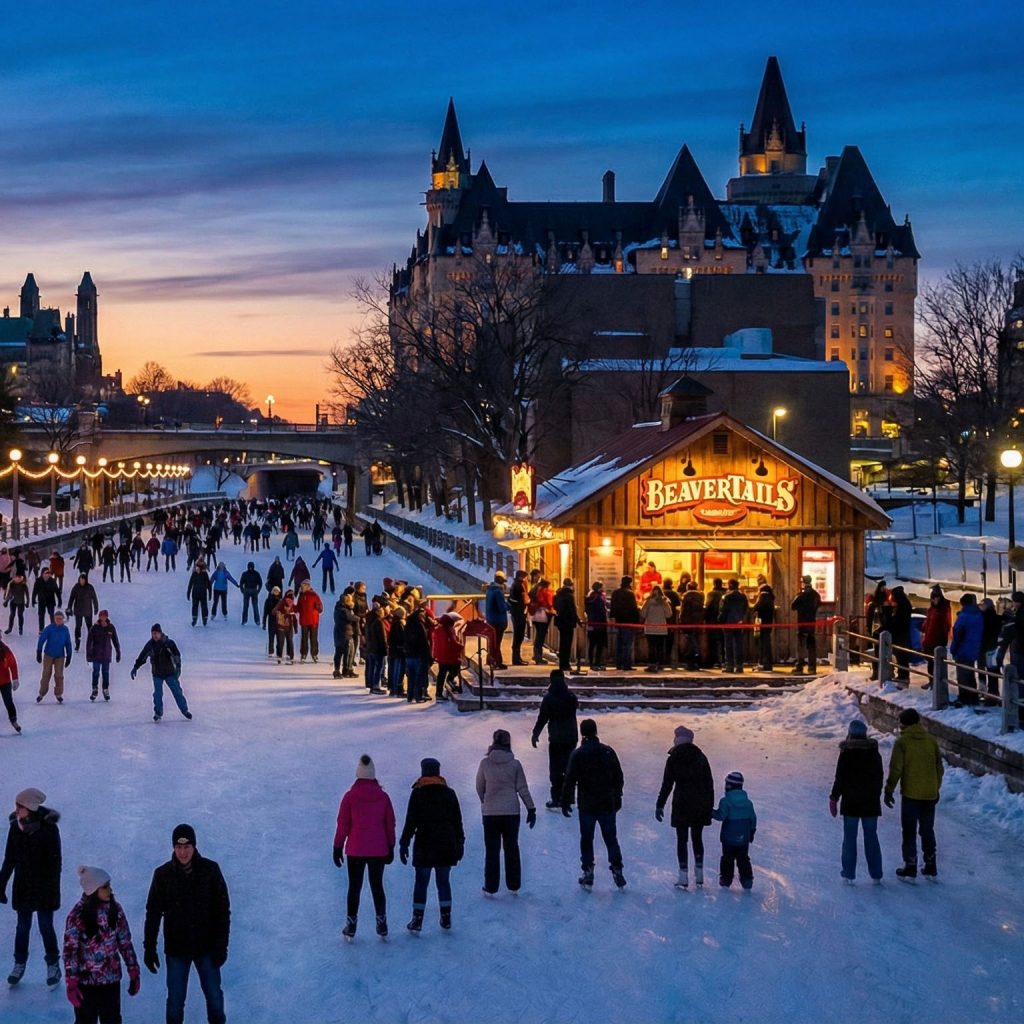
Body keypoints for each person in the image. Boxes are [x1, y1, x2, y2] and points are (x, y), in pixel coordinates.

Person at [143, 824, 230, 1024]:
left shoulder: (210, 870)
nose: (182, 852)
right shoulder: (163, 875)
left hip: (206, 948)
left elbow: (222, 912)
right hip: (177, 949)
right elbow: (153, 912)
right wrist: (149, 947)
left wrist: (221, 946)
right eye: (178, 847)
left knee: (215, 998)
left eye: (187, 846)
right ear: (173, 847)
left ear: (194, 846)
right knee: (175, 1002)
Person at [0, 787, 63, 987]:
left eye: (20, 806)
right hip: (23, 887)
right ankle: (19, 964)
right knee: (22, 927)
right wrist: (1, 884)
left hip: (44, 888)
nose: (16, 810)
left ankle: (53, 964)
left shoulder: (49, 829)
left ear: (30, 807)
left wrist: (52, 889)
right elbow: (9, 858)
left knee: (45, 926)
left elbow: (56, 863)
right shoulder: (14, 827)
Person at [62, 865, 140, 1021]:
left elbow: (125, 942)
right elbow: (70, 951)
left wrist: (133, 970)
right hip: (86, 984)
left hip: (110, 982)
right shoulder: (77, 915)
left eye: (109, 886)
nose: (109, 890)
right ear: (93, 890)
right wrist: (71, 982)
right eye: (105, 887)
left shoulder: (115, 910)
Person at [333, 755, 396, 940]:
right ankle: (382, 923)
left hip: (356, 849)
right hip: (378, 849)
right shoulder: (383, 797)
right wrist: (391, 846)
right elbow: (389, 824)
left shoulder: (350, 796)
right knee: (377, 886)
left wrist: (337, 846)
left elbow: (343, 824)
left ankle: (351, 926)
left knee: (354, 887)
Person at [399, 757, 464, 933]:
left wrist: (404, 843)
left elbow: (410, 822)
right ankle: (446, 917)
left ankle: (417, 919)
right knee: (443, 881)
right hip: (446, 844)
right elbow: (457, 821)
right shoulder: (449, 793)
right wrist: (460, 842)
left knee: (421, 882)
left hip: (424, 845)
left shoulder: (418, 793)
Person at [560, 719, 626, 889]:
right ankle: (617, 868)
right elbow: (619, 776)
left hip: (587, 804)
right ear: (596, 731)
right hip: (606, 803)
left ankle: (588, 870)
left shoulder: (578, 754)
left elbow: (570, 779)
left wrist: (566, 801)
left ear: (582, 733)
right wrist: (617, 796)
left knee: (587, 838)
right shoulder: (607, 752)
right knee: (611, 838)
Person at [884, 708, 943, 881]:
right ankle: (931, 864)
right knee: (927, 830)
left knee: (909, 831)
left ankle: (910, 866)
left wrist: (889, 790)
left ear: (902, 724)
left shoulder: (902, 743)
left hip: (911, 795)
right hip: (930, 795)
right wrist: (935, 787)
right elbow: (939, 768)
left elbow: (896, 769)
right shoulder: (931, 741)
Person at [475, 729, 536, 895]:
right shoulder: (515, 764)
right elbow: (522, 788)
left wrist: (486, 800)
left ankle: (491, 886)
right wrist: (531, 808)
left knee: (492, 850)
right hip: (511, 813)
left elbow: (479, 786)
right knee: (511, 848)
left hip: (490, 813)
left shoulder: (485, 763)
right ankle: (514, 884)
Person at [655, 725, 714, 889]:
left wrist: (660, 804)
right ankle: (700, 874)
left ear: (677, 740)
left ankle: (683, 876)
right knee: (697, 838)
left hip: (681, 803)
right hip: (699, 803)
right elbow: (709, 784)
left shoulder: (673, 758)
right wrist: (708, 806)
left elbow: (667, 784)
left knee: (682, 840)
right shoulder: (701, 757)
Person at [828, 718, 883, 884]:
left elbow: (840, 779)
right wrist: (875, 794)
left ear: (850, 734)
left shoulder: (846, 754)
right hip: (870, 803)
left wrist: (834, 797)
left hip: (851, 802)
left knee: (850, 839)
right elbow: (879, 777)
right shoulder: (874, 753)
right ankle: (876, 875)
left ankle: (848, 874)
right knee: (871, 838)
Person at [531, 670, 579, 809]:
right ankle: (569, 797)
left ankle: (557, 798)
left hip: (557, 738)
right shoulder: (570, 696)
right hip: (570, 737)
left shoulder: (549, 698)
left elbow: (542, 718)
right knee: (569, 768)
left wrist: (535, 734)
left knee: (556, 770)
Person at [130, 624, 191, 722]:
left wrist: (178, 666)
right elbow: (142, 656)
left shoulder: (168, 643)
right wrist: (135, 667)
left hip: (170, 673)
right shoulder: (150, 645)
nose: (155, 636)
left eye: (156, 633)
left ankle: (184, 710)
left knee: (177, 692)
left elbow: (176, 655)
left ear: (160, 633)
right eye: (153, 633)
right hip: (157, 673)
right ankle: (158, 713)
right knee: (157, 694)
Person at [712, 771, 757, 890]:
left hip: (728, 838)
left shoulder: (725, 801)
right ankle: (747, 879)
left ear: (729, 786)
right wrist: (752, 832)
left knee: (727, 859)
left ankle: (726, 879)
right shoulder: (748, 803)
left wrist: (710, 812)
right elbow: (753, 819)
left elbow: (721, 816)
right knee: (743, 858)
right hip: (744, 838)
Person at [949, 593, 984, 707]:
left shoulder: (964, 616)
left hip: (962, 650)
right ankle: (973, 697)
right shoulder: (978, 615)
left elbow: (958, 633)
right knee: (970, 673)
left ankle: (964, 698)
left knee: (963, 675)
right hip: (973, 649)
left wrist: (953, 649)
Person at [36, 609, 73, 705]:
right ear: (54, 619)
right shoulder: (49, 628)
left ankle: (58, 693)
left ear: (63, 619)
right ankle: (41, 693)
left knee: (59, 675)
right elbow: (42, 639)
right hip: (48, 654)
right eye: (57, 619)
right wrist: (39, 651)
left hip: (60, 656)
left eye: (60, 619)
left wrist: (69, 655)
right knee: (46, 674)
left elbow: (68, 643)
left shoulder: (65, 630)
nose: (58, 621)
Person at [85, 611, 121, 703]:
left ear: (107, 617)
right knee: (96, 672)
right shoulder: (94, 628)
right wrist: (88, 655)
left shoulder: (111, 627)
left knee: (105, 673)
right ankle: (94, 689)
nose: (103, 618)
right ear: (99, 617)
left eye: (104, 616)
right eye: (101, 616)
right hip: (96, 654)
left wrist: (118, 652)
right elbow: (89, 642)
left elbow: (115, 640)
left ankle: (105, 689)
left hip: (106, 654)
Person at [791, 575, 822, 674]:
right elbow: (818, 604)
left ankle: (800, 666)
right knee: (811, 646)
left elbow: (793, 606)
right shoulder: (816, 595)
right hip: (811, 623)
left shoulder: (801, 595)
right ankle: (812, 667)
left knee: (801, 646)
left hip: (802, 623)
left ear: (803, 583)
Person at [430, 612, 463, 701]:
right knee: (455, 668)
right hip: (448, 655)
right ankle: (450, 680)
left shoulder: (438, 629)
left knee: (441, 674)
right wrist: (461, 646)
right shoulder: (448, 630)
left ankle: (439, 693)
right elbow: (452, 642)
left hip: (441, 656)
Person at [719, 579, 749, 673]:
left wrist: (720, 620)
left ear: (730, 585)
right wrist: (741, 618)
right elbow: (745, 608)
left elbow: (723, 610)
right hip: (739, 622)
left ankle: (730, 665)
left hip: (728, 622)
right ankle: (739, 665)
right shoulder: (743, 596)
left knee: (728, 645)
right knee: (738, 644)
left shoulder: (726, 597)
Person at [609, 576, 640, 671]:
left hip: (619, 621)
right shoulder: (630, 594)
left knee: (619, 643)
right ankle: (626, 664)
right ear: (629, 583)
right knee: (627, 644)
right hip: (628, 621)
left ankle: (618, 664)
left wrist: (612, 618)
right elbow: (634, 608)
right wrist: (636, 621)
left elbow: (612, 607)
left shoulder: (615, 593)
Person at [641, 584, 672, 672]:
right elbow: (669, 614)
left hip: (650, 628)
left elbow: (643, 613)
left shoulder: (648, 601)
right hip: (661, 628)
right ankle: (660, 664)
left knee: (651, 647)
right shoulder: (664, 602)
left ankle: (652, 664)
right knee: (660, 647)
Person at [553, 578, 581, 672]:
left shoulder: (558, 594)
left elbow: (555, 606)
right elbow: (572, 610)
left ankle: (562, 664)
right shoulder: (569, 595)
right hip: (568, 622)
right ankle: (565, 664)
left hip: (560, 621)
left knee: (562, 643)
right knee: (567, 644)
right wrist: (577, 620)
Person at [888, 585, 914, 684]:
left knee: (901, 655)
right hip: (902, 633)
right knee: (900, 656)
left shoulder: (902, 605)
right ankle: (902, 674)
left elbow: (898, 620)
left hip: (901, 634)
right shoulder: (904, 604)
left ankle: (903, 675)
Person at [67, 574, 99, 652]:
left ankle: (91, 643)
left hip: (88, 611)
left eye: (83, 580)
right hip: (78, 611)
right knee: (78, 627)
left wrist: (96, 607)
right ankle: (77, 643)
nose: (82, 582)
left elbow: (94, 598)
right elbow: (71, 598)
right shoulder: (76, 587)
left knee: (90, 628)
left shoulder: (90, 587)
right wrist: (69, 607)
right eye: (81, 580)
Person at [484, 572, 509, 669]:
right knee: (497, 642)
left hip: (490, 620)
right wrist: (509, 605)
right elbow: (501, 608)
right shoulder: (498, 592)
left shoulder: (489, 590)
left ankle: (490, 660)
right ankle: (497, 662)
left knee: (492, 641)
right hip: (499, 621)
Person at [921, 585, 952, 660]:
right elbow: (928, 624)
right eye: (932, 598)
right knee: (931, 665)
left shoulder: (942, 610)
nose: (934, 600)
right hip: (929, 642)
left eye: (935, 598)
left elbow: (944, 627)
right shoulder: (932, 609)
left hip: (936, 643)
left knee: (936, 666)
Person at [297, 580, 324, 664]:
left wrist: (318, 607)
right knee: (304, 638)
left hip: (313, 620)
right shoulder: (301, 596)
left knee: (313, 638)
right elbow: (298, 607)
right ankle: (304, 654)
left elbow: (320, 608)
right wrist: (290, 608)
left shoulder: (314, 595)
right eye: (301, 586)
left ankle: (314, 654)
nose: (302, 588)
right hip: (304, 620)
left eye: (303, 586)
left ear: (307, 586)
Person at [679, 582, 704, 671]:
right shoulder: (700, 596)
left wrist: (681, 621)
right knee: (695, 640)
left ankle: (690, 662)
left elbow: (683, 611)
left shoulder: (685, 596)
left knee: (689, 642)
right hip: (697, 622)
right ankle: (696, 660)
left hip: (688, 622)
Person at [528, 577, 554, 665]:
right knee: (541, 637)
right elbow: (549, 603)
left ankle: (536, 655)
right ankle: (538, 657)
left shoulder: (536, 589)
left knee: (538, 636)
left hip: (535, 615)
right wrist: (552, 609)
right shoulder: (546, 591)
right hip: (543, 615)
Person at [584, 581, 608, 670]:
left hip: (591, 623)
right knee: (599, 645)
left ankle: (591, 663)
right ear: (599, 588)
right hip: (599, 624)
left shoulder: (589, 597)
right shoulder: (599, 598)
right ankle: (597, 662)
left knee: (592, 644)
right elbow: (602, 611)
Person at [333, 593, 358, 679]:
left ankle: (346, 670)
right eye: (350, 601)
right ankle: (339, 670)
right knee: (341, 653)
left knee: (348, 652)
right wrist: (357, 617)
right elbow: (351, 617)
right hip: (343, 633)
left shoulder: (340, 608)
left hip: (344, 632)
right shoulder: (343, 610)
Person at [508, 570, 529, 666]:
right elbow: (523, 599)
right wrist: (526, 603)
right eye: (525, 577)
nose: (526, 579)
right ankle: (516, 659)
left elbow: (511, 599)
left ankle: (516, 658)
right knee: (519, 636)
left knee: (517, 636)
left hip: (515, 612)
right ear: (521, 577)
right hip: (519, 613)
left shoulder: (514, 584)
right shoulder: (519, 585)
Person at [753, 583, 776, 671]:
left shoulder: (763, 597)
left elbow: (756, 608)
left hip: (762, 623)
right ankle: (767, 663)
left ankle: (764, 664)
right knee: (766, 643)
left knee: (763, 644)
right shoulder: (771, 598)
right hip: (768, 623)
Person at [0, 638, 20, 733]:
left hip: (5, 681)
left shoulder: (4, 649)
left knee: (8, 702)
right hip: (5, 680)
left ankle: (14, 721)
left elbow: (12, 663)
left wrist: (15, 678)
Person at [32, 567, 60, 633]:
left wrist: (59, 600)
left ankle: (53, 628)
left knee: (51, 614)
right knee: (41, 615)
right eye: (46, 573)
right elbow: (35, 591)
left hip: (50, 601)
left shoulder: (52, 581)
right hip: (41, 601)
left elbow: (57, 591)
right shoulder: (38, 581)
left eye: (49, 573)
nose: (47, 574)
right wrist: (33, 599)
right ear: (42, 574)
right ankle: (41, 629)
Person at [186, 563, 212, 627]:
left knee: (204, 607)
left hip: (203, 594)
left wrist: (210, 594)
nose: (196, 569)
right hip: (195, 594)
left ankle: (204, 619)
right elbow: (190, 584)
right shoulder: (194, 574)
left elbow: (209, 585)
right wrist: (188, 593)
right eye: (195, 568)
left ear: (200, 568)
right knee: (194, 607)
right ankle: (194, 620)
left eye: (197, 568)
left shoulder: (205, 574)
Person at [238, 561, 262, 625]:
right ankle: (245, 620)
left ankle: (256, 620)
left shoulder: (256, 574)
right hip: (248, 591)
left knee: (254, 606)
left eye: (251, 567)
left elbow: (260, 583)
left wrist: (258, 590)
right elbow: (241, 582)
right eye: (249, 567)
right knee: (246, 606)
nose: (250, 568)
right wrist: (242, 590)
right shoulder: (246, 574)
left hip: (253, 591)